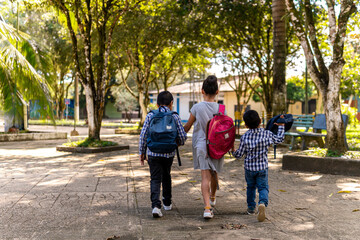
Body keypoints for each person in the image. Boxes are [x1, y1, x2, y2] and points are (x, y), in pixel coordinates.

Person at [139, 91, 187, 218]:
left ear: (157, 103)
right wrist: (177, 144)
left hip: (153, 153)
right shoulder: (175, 116)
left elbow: (143, 135)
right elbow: (182, 136)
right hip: (168, 153)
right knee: (166, 176)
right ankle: (167, 203)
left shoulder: (150, 115)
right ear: (171, 103)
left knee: (155, 179)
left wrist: (142, 152)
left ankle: (155, 206)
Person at [232, 110, 285, 222]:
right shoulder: (267, 134)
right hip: (262, 167)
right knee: (263, 187)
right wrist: (281, 126)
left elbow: (239, 155)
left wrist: (233, 150)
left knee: (250, 187)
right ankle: (262, 203)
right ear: (260, 121)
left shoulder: (244, 137)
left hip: (249, 168)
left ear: (246, 125)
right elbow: (279, 139)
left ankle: (251, 208)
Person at [184, 75, 223, 219]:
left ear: (202, 91)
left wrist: (177, 137)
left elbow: (187, 127)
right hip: (217, 146)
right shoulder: (221, 108)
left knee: (204, 176)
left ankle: (207, 209)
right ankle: (212, 196)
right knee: (215, 173)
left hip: (201, 145)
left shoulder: (196, 107)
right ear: (217, 91)